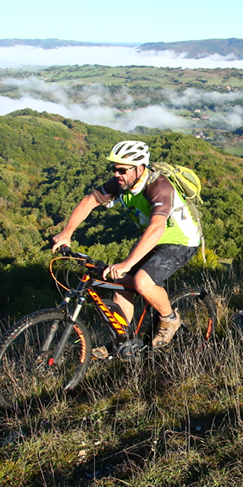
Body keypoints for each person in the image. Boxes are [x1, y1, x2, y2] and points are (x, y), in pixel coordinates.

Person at [51, 140, 202, 354]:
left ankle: (169, 319)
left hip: (181, 240)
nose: (116, 174)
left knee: (142, 282)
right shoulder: (121, 182)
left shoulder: (158, 186)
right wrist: (67, 233)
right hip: (153, 238)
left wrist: (127, 264)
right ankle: (122, 341)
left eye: (122, 170)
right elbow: (89, 201)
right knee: (120, 281)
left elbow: (157, 227)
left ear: (140, 168)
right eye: (114, 168)